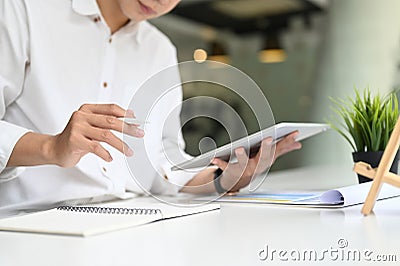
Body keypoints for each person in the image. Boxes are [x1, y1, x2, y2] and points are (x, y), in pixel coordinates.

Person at [0, 0, 301, 211]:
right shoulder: (25, 9)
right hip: (28, 221)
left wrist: (225, 179)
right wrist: (51, 147)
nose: (160, 1)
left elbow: (164, 161)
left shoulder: (160, 50)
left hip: (127, 218)